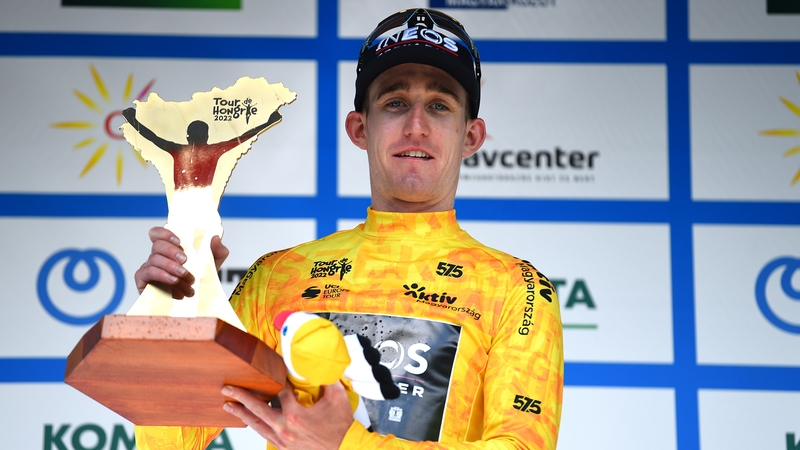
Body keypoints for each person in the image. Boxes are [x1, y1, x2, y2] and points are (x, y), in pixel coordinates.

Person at [133, 8, 564, 450]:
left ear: (470, 136)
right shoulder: (280, 276)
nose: (416, 126)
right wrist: (175, 319)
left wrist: (345, 443)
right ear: (360, 128)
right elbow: (171, 442)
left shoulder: (516, 289)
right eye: (395, 103)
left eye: (439, 106)